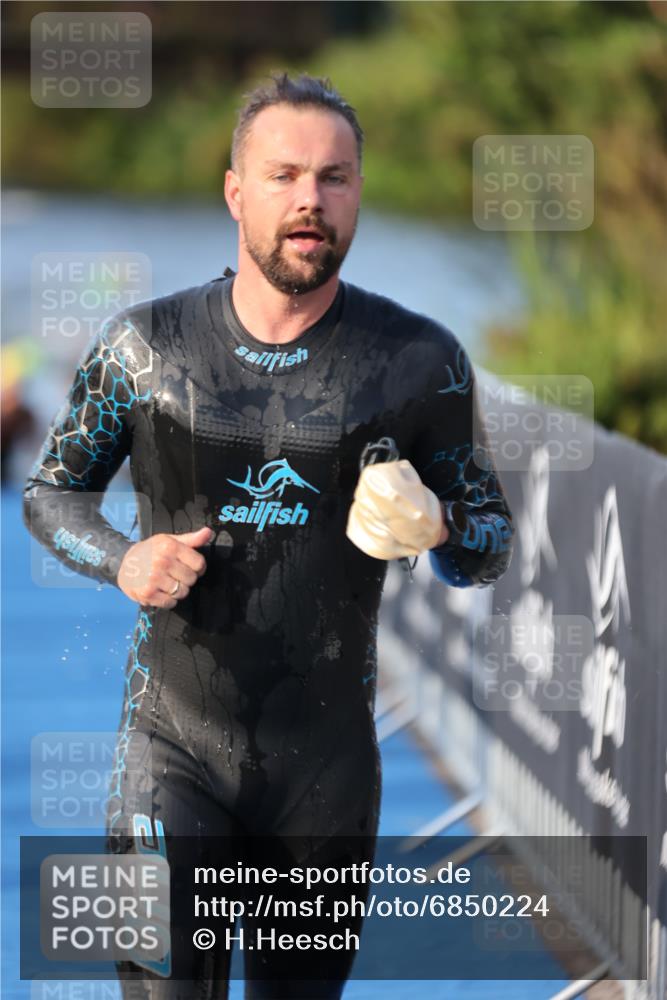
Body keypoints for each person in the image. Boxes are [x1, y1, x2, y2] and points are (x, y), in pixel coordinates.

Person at [23, 73, 514, 999]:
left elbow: (487, 546)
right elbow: (52, 493)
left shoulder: (418, 362)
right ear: (234, 190)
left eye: (334, 178)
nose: (309, 200)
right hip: (168, 754)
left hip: (322, 774)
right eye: (284, 174)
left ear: (358, 192)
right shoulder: (144, 347)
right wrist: (123, 556)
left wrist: (439, 522)